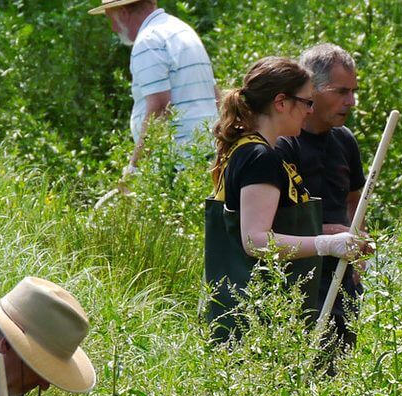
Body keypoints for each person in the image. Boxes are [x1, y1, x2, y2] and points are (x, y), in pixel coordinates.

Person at [204, 57, 373, 344]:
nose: (310, 111)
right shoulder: (261, 158)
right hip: (257, 317)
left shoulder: (250, 150)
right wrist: (326, 244)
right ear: (281, 102)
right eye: (306, 102)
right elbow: (256, 241)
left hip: (256, 313)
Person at [276, 44, 367, 353]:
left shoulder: (345, 139)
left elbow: (355, 199)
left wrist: (358, 254)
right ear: (311, 89)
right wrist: (330, 235)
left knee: (342, 365)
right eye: (341, 91)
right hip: (297, 279)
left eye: (353, 92)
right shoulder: (284, 143)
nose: (351, 101)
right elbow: (271, 224)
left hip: (342, 279)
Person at [89, 0, 219, 178]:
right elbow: (214, 92)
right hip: (207, 152)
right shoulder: (182, 30)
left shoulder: (148, 41)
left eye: (111, 19)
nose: (113, 28)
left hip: (179, 162)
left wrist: (135, 168)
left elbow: (159, 109)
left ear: (123, 13)